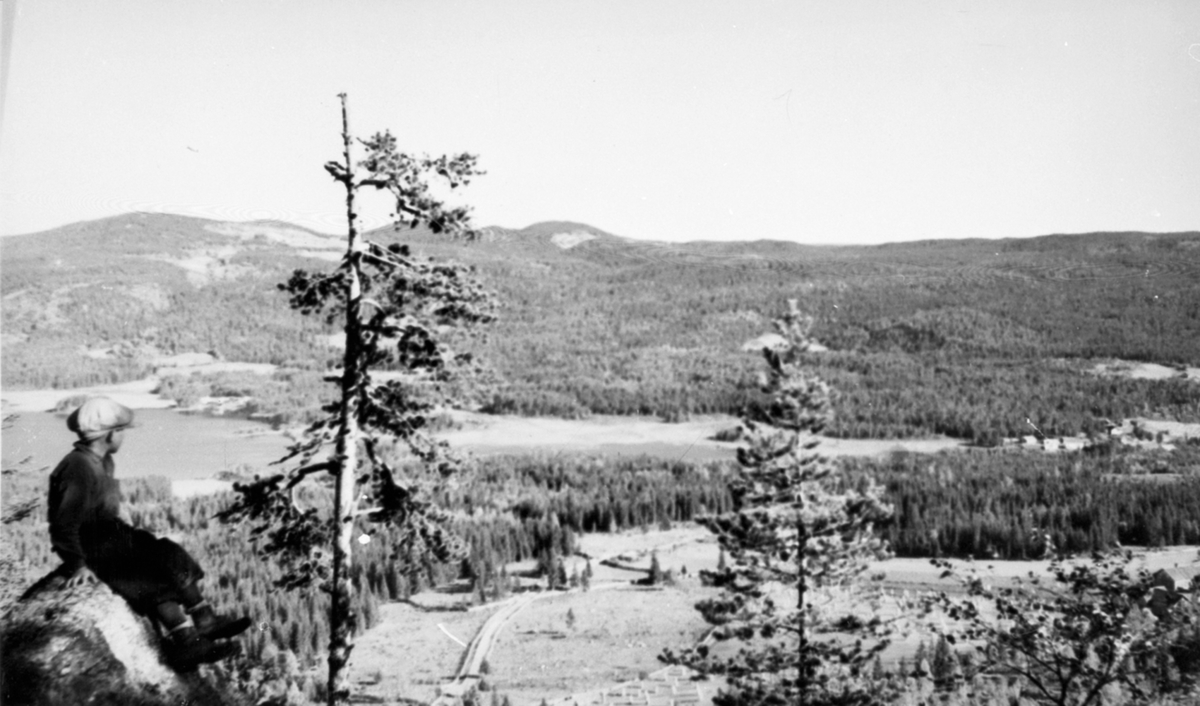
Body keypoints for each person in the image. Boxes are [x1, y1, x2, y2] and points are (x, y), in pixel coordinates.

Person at [48, 397, 250, 670]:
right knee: (144, 573)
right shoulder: (78, 467)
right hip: (92, 545)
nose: (122, 437)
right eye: (120, 431)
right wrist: (77, 564)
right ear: (108, 434)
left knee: (168, 551)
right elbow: (63, 523)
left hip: (113, 534)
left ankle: (205, 618)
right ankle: (184, 640)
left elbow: (104, 511)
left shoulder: (101, 461)